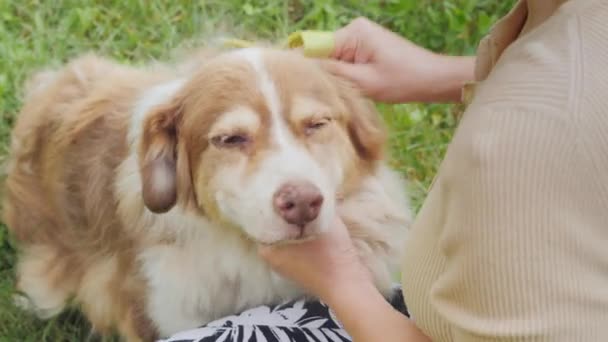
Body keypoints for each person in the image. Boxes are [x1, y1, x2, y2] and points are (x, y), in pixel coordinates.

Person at [164, 0, 608, 341]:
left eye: (316, 125)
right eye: (234, 139)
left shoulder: (519, 146)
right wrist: (450, 75)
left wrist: (342, 281)